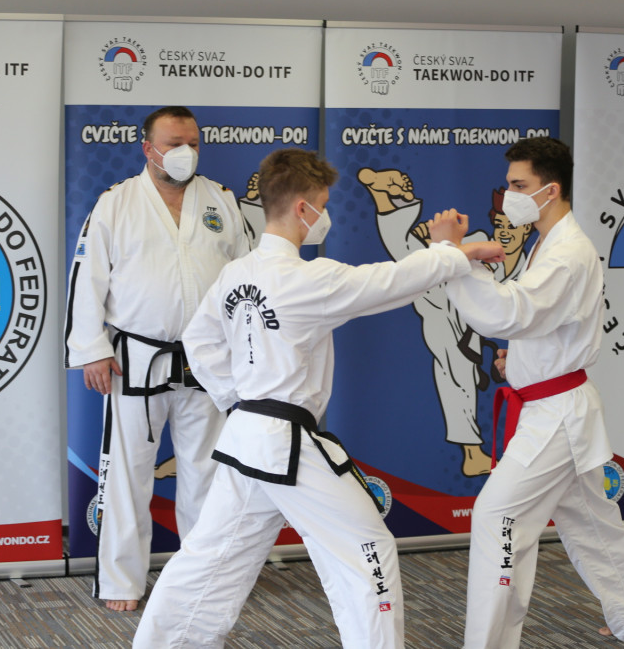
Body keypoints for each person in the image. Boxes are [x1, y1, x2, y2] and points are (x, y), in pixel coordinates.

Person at [132, 149, 504, 649]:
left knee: (212, 557)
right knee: (367, 548)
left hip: (247, 436)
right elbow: (388, 283)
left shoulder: (237, 273)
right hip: (284, 443)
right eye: (323, 205)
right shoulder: (306, 279)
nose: (324, 216)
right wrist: (449, 252)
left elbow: (199, 343)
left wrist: (239, 397)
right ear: (303, 208)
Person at [440, 137, 624, 648]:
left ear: (551, 190)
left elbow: (510, 313)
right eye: (508, 185)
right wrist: (521, 363)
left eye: (519, 185)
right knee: (590, 520)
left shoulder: (567, 253)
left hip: (557, 414)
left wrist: (452, 257)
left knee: (497, 515)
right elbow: (544, 324)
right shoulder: (545, 244)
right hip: (550, 404)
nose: (509, 195)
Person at [64, 105, 251, 611]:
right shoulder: (116, 202)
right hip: (134, 358)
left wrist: (245, 348)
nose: (186, 151)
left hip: (207, 358)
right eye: (174, 143)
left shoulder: (221, 200)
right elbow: (87, 278)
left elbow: (245, 275)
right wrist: (92, 349)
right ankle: (121, 583)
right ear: (148, 148)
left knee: (207, 473)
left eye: (193, 142)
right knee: (127, 474)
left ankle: (203, 582)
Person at [358, 168, 533, 476]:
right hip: (444, 307)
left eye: (513, 227)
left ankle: (386, 202)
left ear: (528, 230)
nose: (504, 232)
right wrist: (438, 244)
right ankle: (472, 454)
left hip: (466, 321)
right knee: (455, 361)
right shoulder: (479, 241)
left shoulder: (529, 266)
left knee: (415, 263)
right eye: (500, 225)